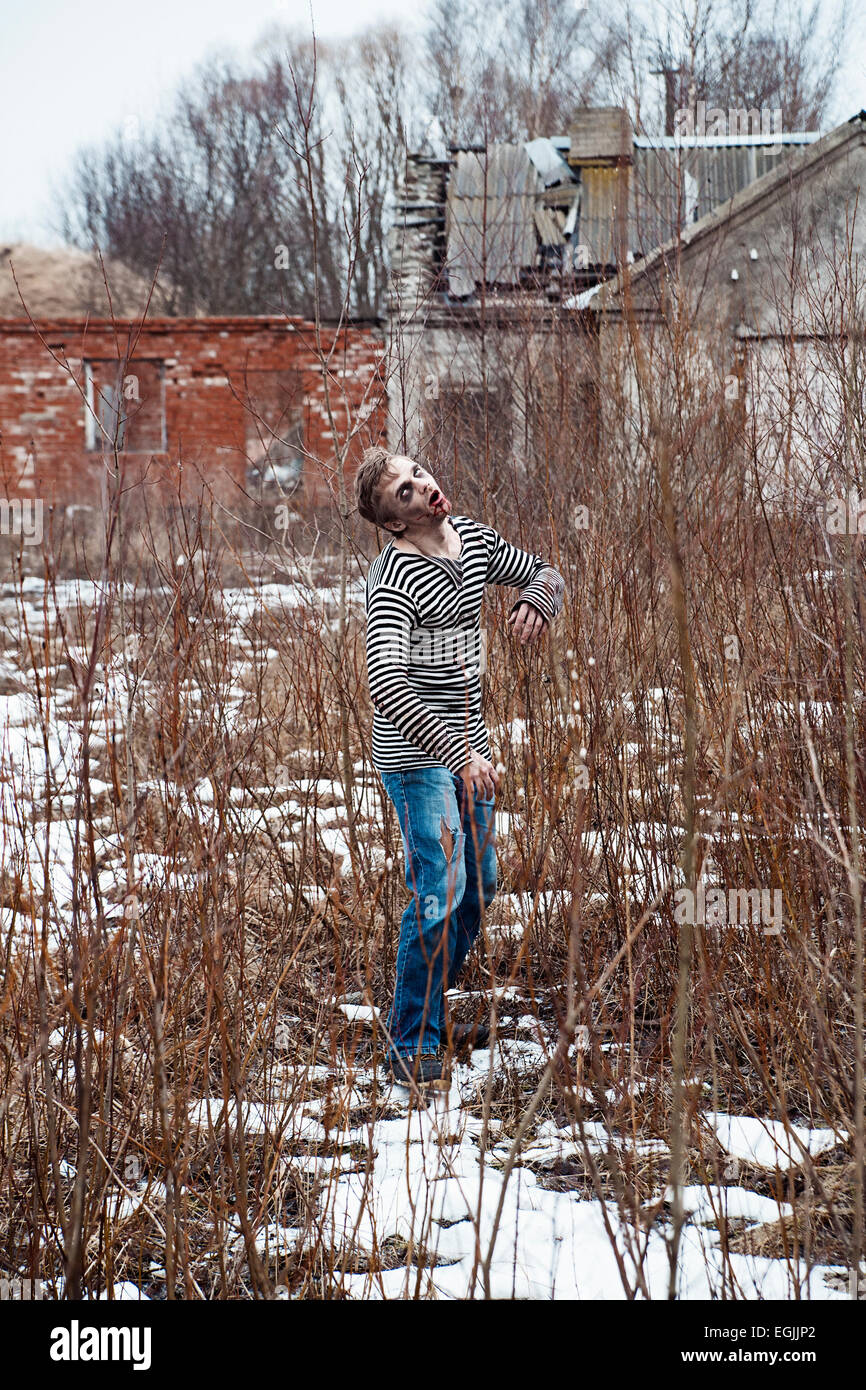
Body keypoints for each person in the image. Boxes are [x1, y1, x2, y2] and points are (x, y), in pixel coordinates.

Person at [355, 447, 565, 1090]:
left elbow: (544, 571)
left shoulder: (471, 541)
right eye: (403, 494)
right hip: (416, 758)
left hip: (467, 751)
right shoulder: (393, 582)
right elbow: (388, 684)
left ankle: (421, 1005)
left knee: (480, 889)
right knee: (438, 890)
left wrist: (539, 599)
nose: (421, 488)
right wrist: (461, 754)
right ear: (394, 522)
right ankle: (410, 1044)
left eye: (417, 474)